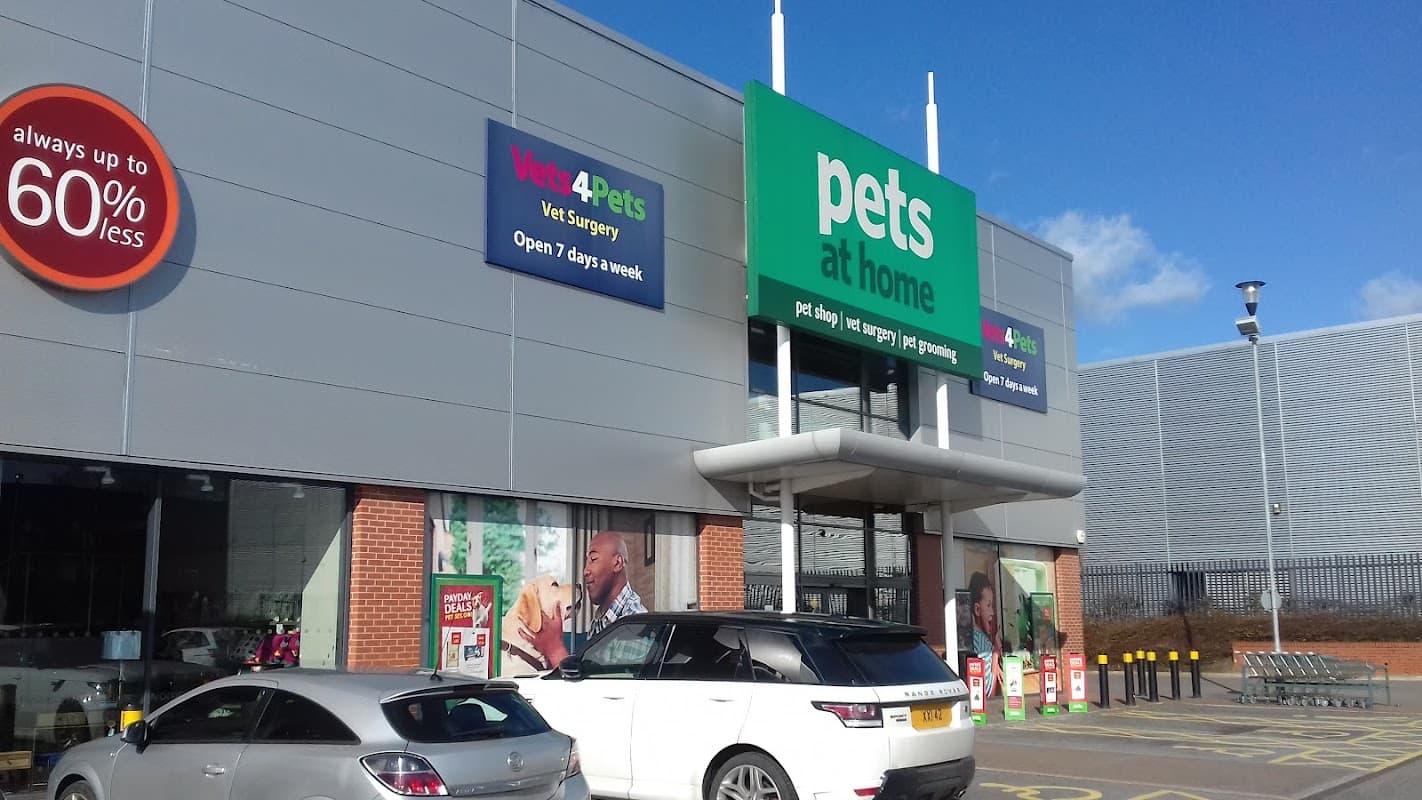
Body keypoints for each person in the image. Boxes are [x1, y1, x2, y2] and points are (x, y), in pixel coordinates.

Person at [522, 530, 647, 667]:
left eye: (593, 560)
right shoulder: (600, 620)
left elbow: (608, 688)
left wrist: (555, 649)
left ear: (617, 563)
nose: (585, 571)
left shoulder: (635, 625)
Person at [969, 571, 1003, 697]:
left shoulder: (972, 638)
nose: (992, 612)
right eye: (989, 605)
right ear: (977, 609)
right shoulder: (983, 645)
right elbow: (988, 692)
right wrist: (995, 653)